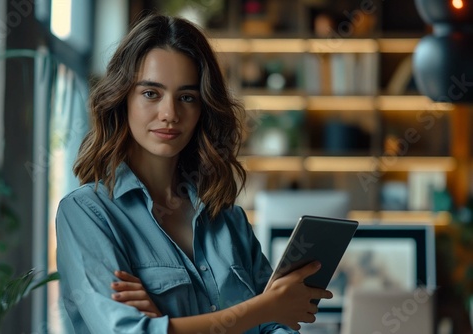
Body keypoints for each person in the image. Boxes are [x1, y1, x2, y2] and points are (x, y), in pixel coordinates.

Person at [55, 13, 333, 334]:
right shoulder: (86, 214)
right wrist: (262, 308)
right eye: (151, 93)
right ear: (122, 99)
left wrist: (167, 323)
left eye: (187, 97)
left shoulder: (228, 220)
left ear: (203, 109)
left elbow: (278, 328)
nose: (170, 114)